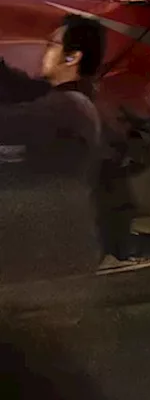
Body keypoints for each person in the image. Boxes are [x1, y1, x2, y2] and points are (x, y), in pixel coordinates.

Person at [0, 15, 107, 282]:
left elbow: (10, 121)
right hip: (55, 249)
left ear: (72, 58)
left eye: (52, 45)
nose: (45, 51)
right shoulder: (70, 101)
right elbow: (20, 87)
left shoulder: (67, 108)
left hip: (50, 259)